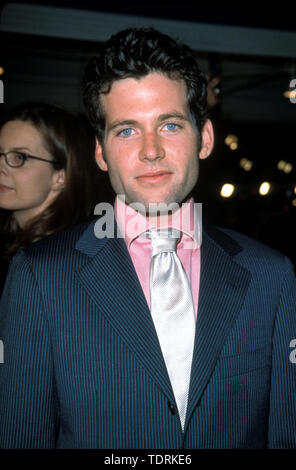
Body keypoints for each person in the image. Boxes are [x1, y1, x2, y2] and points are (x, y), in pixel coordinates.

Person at [0, 28, 295, 449]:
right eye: (126, 131)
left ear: (204, 138)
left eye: (170, 125)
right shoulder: (38, 276)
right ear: (101, 152)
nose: (151, 150)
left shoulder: (272, 275)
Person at [0, 102, 98, 293]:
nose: (1, 167)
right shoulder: (14, 245)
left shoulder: (59, 260)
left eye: (19, 157)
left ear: (60, 177)